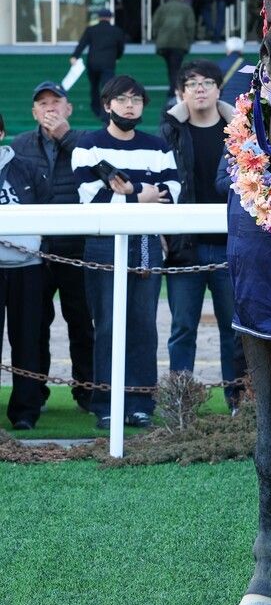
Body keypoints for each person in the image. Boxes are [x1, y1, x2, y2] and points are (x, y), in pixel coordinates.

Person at [71, 76, 180, 430]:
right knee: (107, 325)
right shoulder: (88, 146)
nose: (129, 105)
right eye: (122, 99)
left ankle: (139, 402)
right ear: (107, 105)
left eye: (136, 99)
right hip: (103, 242)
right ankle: (105, 403)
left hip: (147, 241)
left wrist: (129, 191)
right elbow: (89, 196)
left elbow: (172, 191)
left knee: (143, 324)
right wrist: (139, 194)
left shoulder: (157, 146)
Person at [160, 61, 244, 411]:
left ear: (218, 89)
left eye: (207, 82)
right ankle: (181, 403)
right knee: (182, 329)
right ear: (181, 92)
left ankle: (238, 400)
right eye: (191, 83)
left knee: (235, 332)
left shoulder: (238, 130)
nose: (199, 89)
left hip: (230, 248)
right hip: (185, 249)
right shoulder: (170, 132)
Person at [11, 81, 94, 412]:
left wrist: (64, 136)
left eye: (56, 102)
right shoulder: (19, 145)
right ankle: (35, 393)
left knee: (82, 326)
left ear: (69, 108)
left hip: (77, 251)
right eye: (42, 103)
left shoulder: (86, 142)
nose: (49, 108)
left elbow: (96, 167)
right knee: (33, 328)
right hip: (34, 254)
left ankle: (87, 392)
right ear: (33, 111)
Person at [0, 112, 48, 429]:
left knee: (29, 339)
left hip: (28, 266)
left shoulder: (25, 167)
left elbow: (45, 209)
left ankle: (25, 412)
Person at [70, 8, 125, 120]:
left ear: (98, 17)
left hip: (93, 62)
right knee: (107, 87)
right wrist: (117, 57)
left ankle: (95, 108)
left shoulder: (91, 29)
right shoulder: (117, 31)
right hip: (108, 63)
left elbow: (82, 43)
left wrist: (75, 56)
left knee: (94, 86)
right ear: (110, 18)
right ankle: (105, 111)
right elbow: (121, 48)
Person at [152, 0, 196, 97]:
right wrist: (189, 41)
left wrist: (156, 38)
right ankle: (174, 90)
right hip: (180, 43)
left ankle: (173, 88)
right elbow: (191, 26)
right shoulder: (186, 8)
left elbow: (155, 24)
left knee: (171, 67)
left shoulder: (162, 8)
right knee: (175, 67)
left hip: (164, 43)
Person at [217, 37, 254, 106]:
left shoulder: (219, 65)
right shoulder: (251, 66)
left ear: (227, 50)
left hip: (224, 107)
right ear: (242, 50)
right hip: (244, 108)